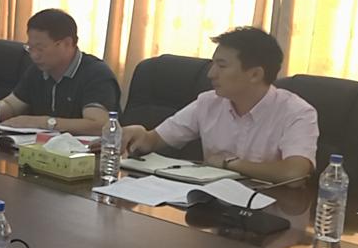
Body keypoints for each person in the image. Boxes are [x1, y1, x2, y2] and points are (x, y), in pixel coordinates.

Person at [122, 27, 318, 183]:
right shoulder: (208, 102)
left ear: (255, 74)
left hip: (267, 209)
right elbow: (156, 139)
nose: (211, 74)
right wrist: (142, 135)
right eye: (213, 64)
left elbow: (295, 173)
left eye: (222, 66)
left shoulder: (296, 112)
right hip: (210, 205)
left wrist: (230, 164)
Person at [0, 8, 120, 133]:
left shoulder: (96, 74)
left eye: (40, 48)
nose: (34, 55)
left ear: (67, 43)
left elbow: (99, 125)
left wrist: (42, 122)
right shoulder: (37, 70)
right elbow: (11, 105)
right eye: (30, 48)